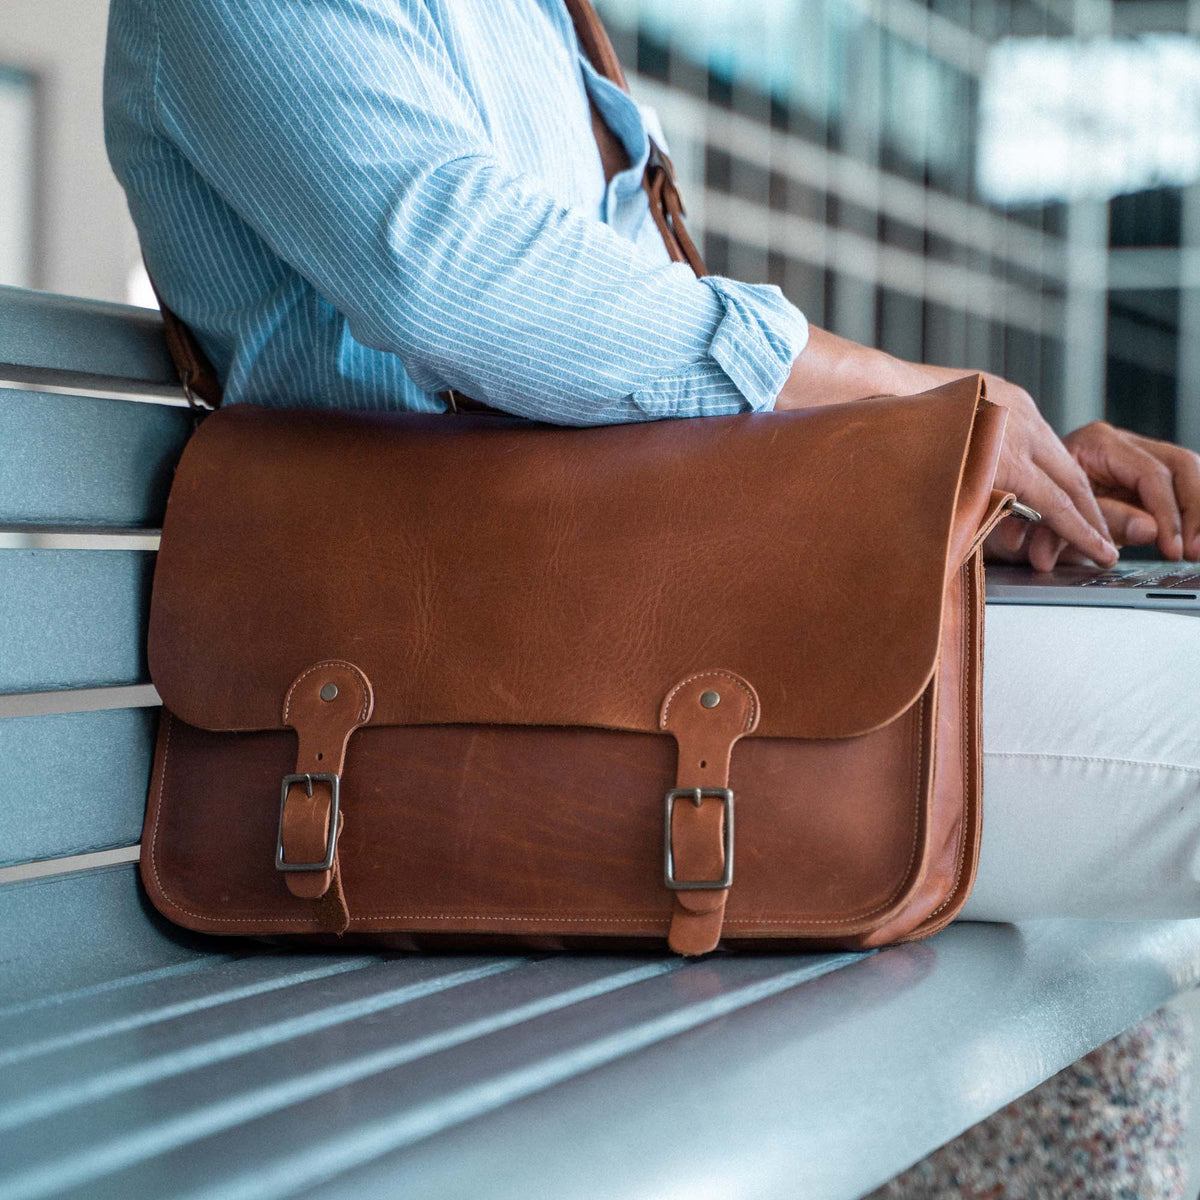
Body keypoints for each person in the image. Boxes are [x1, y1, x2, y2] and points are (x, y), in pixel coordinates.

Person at [103, 0, 1200, 922]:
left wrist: (953, 481)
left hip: (655, 633)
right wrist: (925, 403)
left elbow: (636, 379)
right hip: (468, 690)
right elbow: (449, 270)